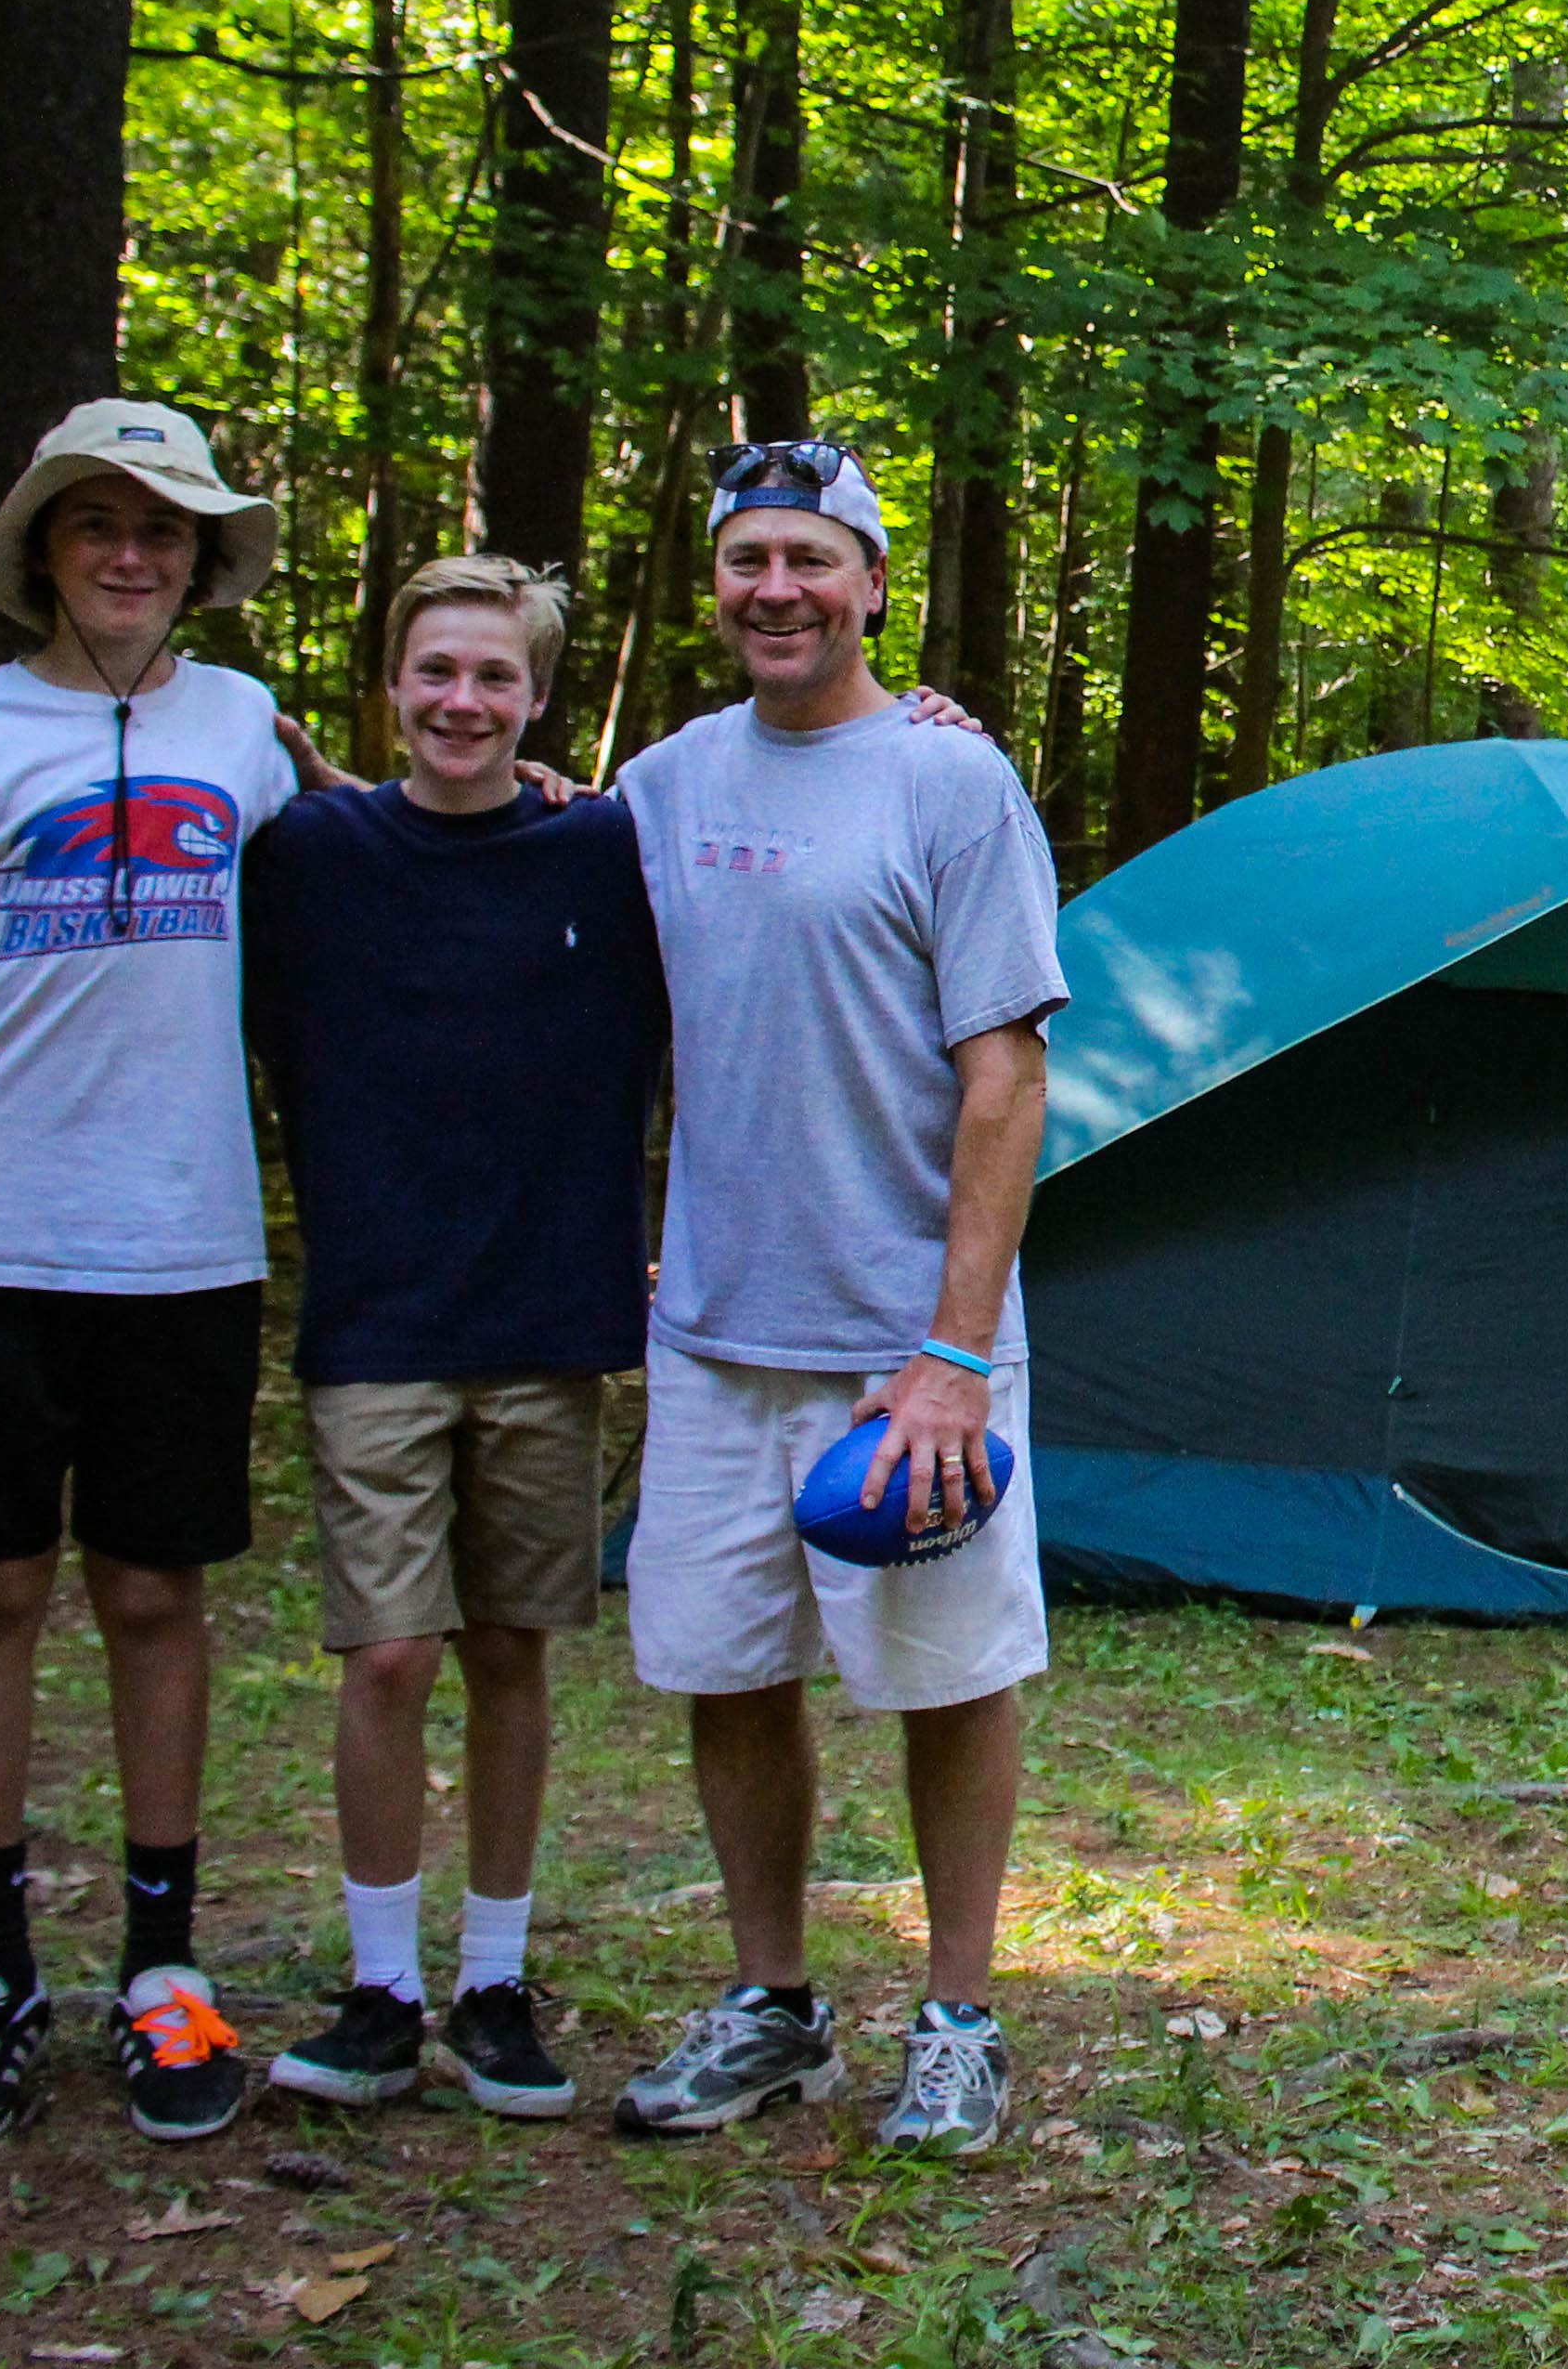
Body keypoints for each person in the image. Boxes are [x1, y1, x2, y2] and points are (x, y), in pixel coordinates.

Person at [0, 399, 301, 2148]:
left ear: (199, 563)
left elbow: (415, 827)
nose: (130, 553)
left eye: (163, 530)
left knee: (158, 1598)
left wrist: (552, 791)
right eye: (97, 524)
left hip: (182, 1245)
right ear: (46, 549)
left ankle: (163, 1972)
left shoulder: (248, 726)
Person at [610, 438, 1061, 2154]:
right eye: (749, 560)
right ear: (716, 585)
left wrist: (954, 1351)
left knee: (945, 1678)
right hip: (717, 1330)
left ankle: (958, 2017)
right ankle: (773, 2007)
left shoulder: (953, 786)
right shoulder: (661, 787)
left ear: (874, 582)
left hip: (911, 1349)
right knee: (732, 1672)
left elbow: (1006, 1079)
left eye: (813, 558)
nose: (777, 589)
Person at [240, 557, 666, 2120]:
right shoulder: (312, 851)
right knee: (389, 1650)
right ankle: (379, 1989)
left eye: (495, 679)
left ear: (537, 700)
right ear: (393, 689)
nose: (465, 703)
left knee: (507, 1650)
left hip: (547, 1317)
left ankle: (493, 1979)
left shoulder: (602, 850)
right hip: (378, 1317)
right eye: (437, 674)